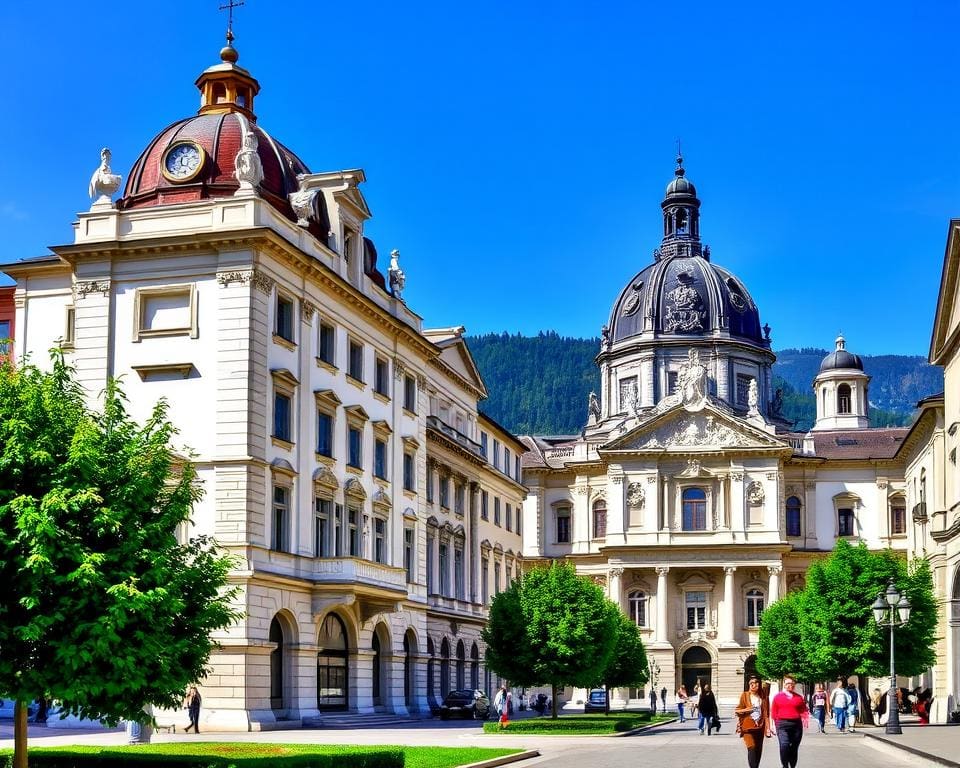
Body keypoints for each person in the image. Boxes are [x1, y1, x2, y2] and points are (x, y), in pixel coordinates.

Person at [735, 676, 773, 768]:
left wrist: (768, 728)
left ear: (759, 684)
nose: (753, 685)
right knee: (751, 748)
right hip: (747, 728)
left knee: (758, 751)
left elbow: (766, 714)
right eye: (751, 683)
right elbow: (737, 710)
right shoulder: (745, 695)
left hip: (760, 727)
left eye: (756, 682)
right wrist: (747, 709)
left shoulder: (763, 697)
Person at [771, 675, 808, 768]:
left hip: (796, 725)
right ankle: (785, 765)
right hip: (782, 724)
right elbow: (774, 712)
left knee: (794, 748)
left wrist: (805, 717)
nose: (790, 685)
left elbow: (804, 710)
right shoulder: (777, 697)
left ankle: (792, 766)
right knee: (784, 745)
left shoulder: (799, 697)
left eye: (792, 684)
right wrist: (773, 726)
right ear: (784, 684)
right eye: (788, 683)